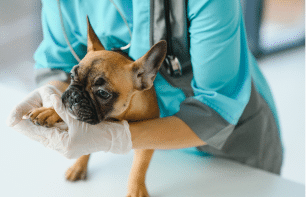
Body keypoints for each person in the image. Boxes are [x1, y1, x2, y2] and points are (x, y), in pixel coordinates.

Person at [7, 0, 283, 174]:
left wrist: (114, 138)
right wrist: (53, 95)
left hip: (228, 146)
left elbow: (217, 107)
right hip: (154, 159)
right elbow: (58, 64)